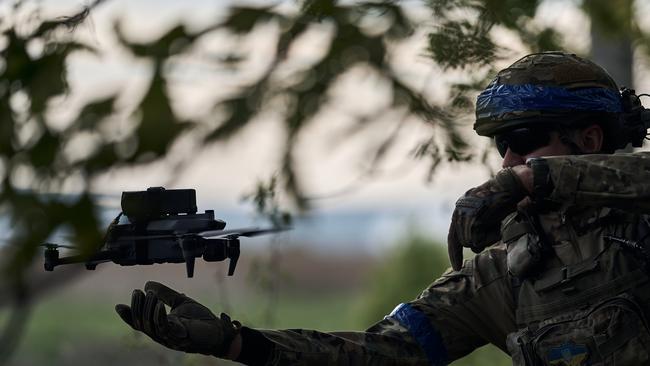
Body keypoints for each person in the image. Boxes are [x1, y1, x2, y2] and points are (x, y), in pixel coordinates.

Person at [115, 51, 650, 365]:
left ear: (591, 138)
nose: (508, 160)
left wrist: (540, 178)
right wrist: (237, 342)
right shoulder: (505, 275)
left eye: (527, 139)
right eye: (500, 146)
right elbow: (378, 353)